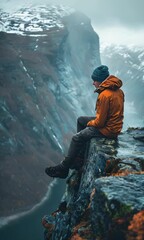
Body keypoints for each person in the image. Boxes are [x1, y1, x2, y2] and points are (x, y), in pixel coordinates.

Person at [45, 65, 124, 178]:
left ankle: (63, 169)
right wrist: (90, 122)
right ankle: (79, 158)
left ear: (101, 81)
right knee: (81, 120)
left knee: (76, 138)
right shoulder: (118, 91)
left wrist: (90, 124)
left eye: (95, 80)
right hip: (114, 125)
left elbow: (100, 123)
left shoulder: (105, 95)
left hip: (108, 129)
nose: (93, 83)